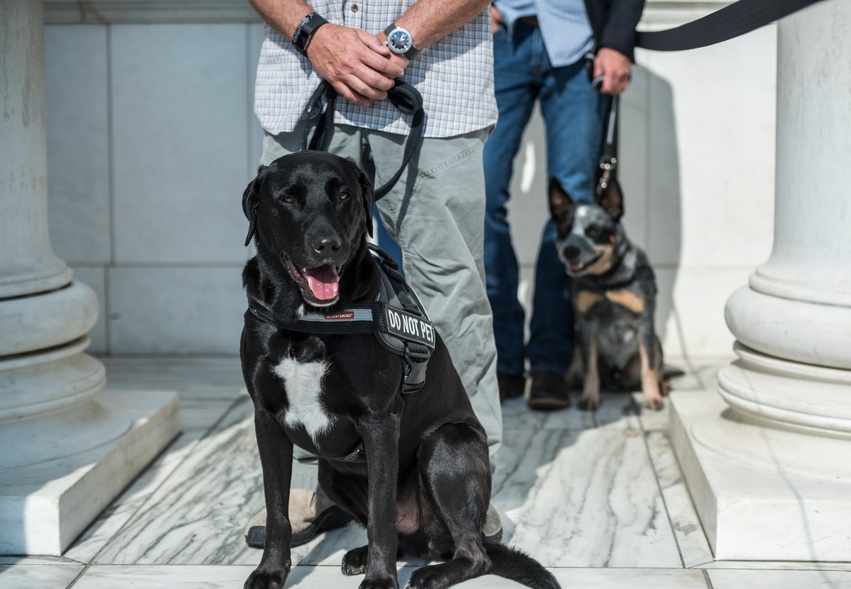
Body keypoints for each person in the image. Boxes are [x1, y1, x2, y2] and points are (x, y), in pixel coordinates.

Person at [243, 0, 503, 547]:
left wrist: (394, 44)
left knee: (449, 296)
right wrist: (312, 34)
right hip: (305, 80)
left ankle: (465, 489)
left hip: (434, 83)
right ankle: (329, 482)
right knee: (290, 295)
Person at [484, 0, 645, 410]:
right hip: (501, 39)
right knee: (480, 193)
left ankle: (550, 362)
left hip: (581, 44)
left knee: (575, 205)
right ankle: (500, 357)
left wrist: (617, 41)